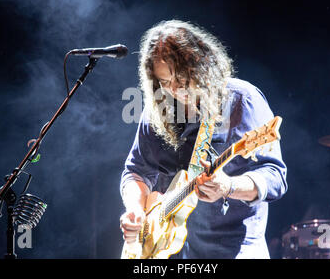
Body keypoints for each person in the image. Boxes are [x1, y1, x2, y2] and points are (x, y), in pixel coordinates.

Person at [119, 20, 287, 259]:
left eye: (182, 79)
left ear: (201, 64)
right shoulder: (157, 110)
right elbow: (135, 171)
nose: (176, 90)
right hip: (173, 252)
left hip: (235, 250)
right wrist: (135, 208)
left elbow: (275, 177)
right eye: (166, 83)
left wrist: (229, 186)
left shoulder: (242, 100)